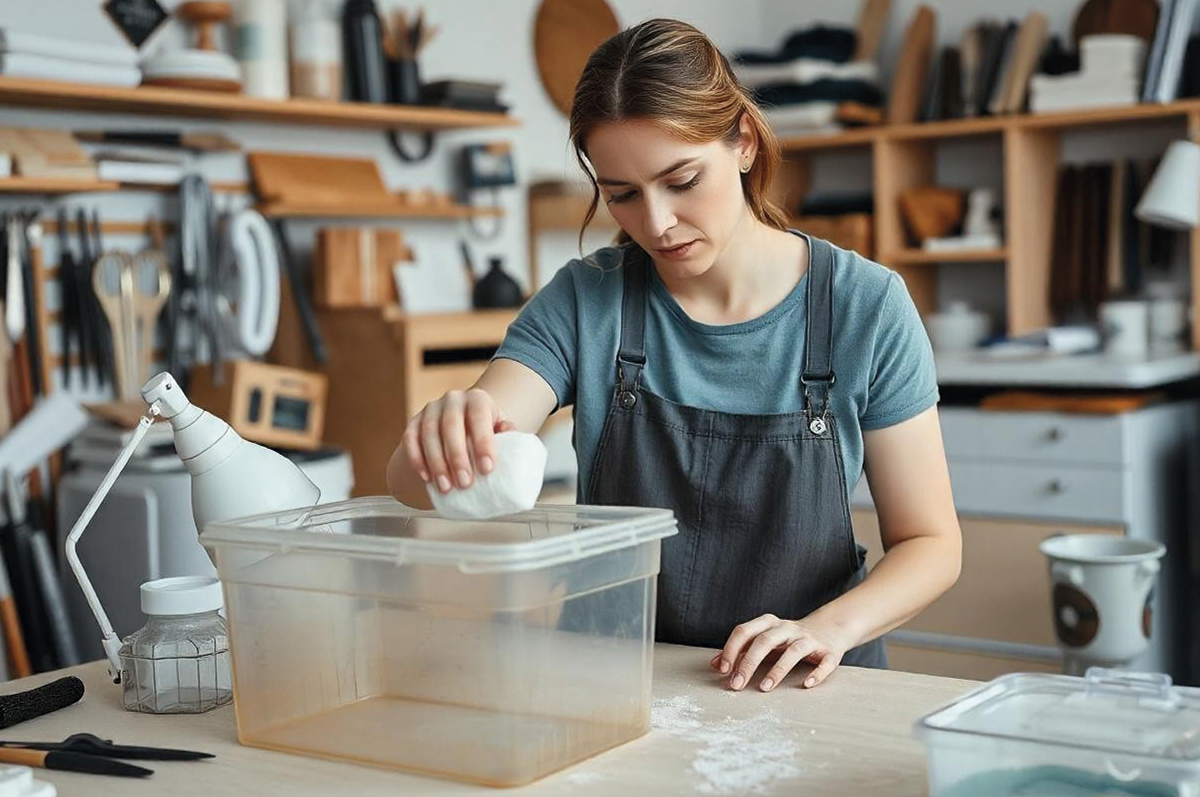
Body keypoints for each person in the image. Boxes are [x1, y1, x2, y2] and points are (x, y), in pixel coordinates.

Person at [388, 18, 961, 692]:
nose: (655, 223)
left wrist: (827, 628)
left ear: (743, 142)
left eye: (682, 180)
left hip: (807, 687)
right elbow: (411, 480)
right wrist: (447, 435)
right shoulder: (586, 301)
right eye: (622, 195)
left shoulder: (867, 306)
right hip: (615, 685)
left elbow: (931, 544)